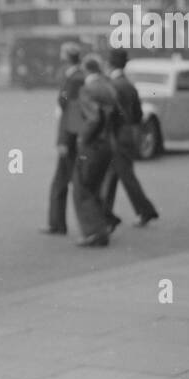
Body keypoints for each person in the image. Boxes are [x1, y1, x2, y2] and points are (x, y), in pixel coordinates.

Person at [101, 49, 159, 227]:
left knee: (121, 177)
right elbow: (138, 114)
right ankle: (108, 214)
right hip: (128, 133)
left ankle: (144, 211)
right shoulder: (129, 85)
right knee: (117, 176)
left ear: (110, 64)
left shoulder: (111, 85)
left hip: (116, 135)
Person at [72, 54, 121, 247]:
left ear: (86, 69)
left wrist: (82, 138)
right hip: (108, 143)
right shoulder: (109, 87)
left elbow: (93, 118)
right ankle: (102, 226)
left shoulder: (87, 90)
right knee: (97, 188)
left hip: (93, 145)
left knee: (83, 189)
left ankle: (94, 232)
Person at [41, 42, 86, 235]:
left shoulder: (74, 78)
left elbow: (66, 105)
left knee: (63, 182)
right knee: (70, 182)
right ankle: (57, 223)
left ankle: (57, 223)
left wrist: (62, 141)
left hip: (69, 135)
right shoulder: (78, 76)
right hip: (73, 134)